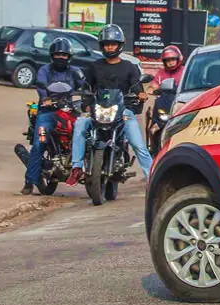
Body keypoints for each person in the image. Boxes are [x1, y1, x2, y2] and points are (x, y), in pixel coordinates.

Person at [66, 24, 153, 185]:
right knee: (80, 124)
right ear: (102, 46)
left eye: (113, 44)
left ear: (120, 45)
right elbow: (87, 87)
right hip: (98, 110)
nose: (110, 47)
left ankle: (153, 179)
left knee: (139, 145)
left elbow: (136, 86)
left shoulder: (130, 67)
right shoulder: (95, 66)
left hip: (123, 111)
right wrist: (86, 103)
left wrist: (140, 94)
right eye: (107, 44)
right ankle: (77, 167)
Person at [22, 37, 85, 195]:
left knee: (84, 134)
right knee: (39, 144)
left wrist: (88, 94)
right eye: (58, 55)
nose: (61, 58)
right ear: (52, 56)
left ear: (69, 57)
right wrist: (47, 98)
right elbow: (41, 86)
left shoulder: (74, 71)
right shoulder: (44, 70)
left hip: (68, 112)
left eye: (64, 55)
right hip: (47, 112)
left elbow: (85, 86)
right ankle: (29, 182)